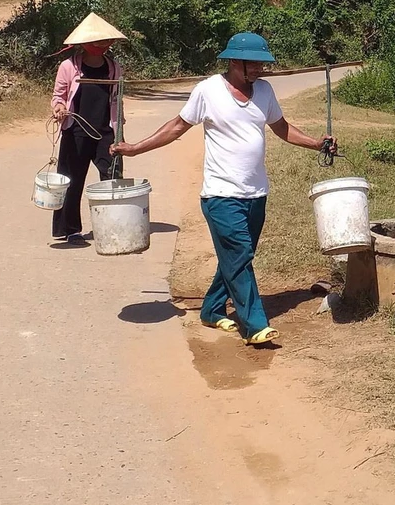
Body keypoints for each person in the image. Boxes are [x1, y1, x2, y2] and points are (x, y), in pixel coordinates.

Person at [110, 32, 336, 346]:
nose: (259, 70)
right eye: (253, 64)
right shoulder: (208, 90)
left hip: (256, 193)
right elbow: (177, 126)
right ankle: (255, 324)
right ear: (233, 61)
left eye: (262, 65)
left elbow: (281, 128)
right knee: (240, 256)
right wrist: (135, 148)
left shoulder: (265, 91)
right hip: (221, 195)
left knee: (236, 257)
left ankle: (213, 309)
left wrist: (315, 143)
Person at [51, 12, 128, 245]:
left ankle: (114, 223)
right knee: (71, 179)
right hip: (75, 131)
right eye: (96, 42)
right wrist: (58, 109)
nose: (101, 46)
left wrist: (119, 130)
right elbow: (59, 96)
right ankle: (70, 229)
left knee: (112, 176)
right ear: (84, 44)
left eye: (105, 42)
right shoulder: (68, 67)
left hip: (106, 132)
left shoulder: (115, 68)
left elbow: (117, 100)